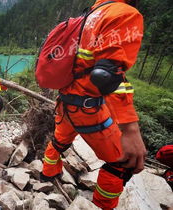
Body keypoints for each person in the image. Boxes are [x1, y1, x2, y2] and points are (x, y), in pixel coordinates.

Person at [40, 0, 147, 209]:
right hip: (88, 108)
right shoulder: (123, 13)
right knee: (121, 164)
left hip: (65, 104)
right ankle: (102, 205)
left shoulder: (91, 13)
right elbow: (106, 75)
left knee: (59, 141)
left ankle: (47, 174)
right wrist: (130, 129)